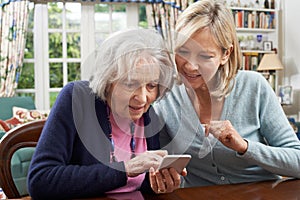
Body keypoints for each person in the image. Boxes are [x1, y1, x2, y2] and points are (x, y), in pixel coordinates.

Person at [153, 0, 300, 188]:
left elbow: (297, 160)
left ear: (225, 54)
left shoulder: (254, 87)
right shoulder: (165, 97)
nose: (190, 66)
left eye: (205, 56)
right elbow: (169, 169)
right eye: (183, 51)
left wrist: (245, 147)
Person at [27, 29, 183, 199]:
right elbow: (40, 181)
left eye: (151, 86)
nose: (143, 98)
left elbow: (140, 187)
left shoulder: (149, 115)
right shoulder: (76, 98)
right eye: (131, 84)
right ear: (108, 82)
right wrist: (126, 169)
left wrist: (160, 183)